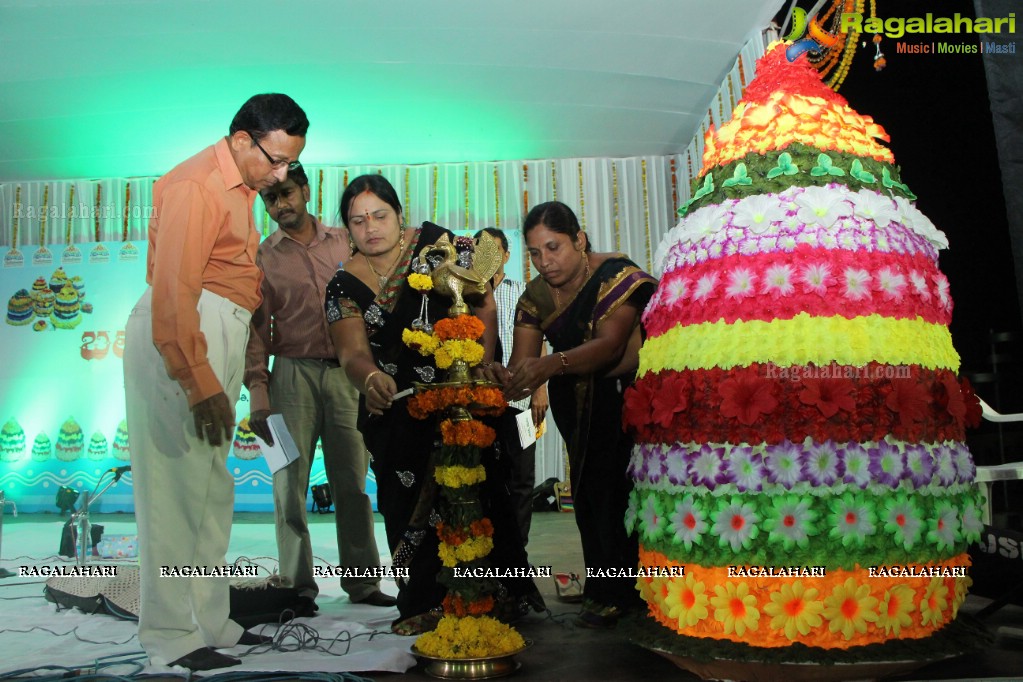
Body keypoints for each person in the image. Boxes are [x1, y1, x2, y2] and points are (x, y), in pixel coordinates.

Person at [124, 94, 308, 671]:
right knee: (174, 492)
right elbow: (173, 291)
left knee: (211, 490)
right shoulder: (195, 185)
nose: (280, 175)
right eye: (274, 160)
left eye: (289, 165)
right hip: (188, 331)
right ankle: (171, 636)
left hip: (220, 325)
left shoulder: (238, 192)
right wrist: (196, 378)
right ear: (239, 139)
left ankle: (209, 620)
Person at [324, 174, 543, 634]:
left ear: (399, 214)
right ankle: (422, 600)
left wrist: (479, 359)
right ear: (347, 228)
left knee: (482, 492)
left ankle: (496, 595)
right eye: (358, 221)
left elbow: (481, 300)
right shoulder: (343, 285)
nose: (371, 228)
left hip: (458, 393)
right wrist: (369, 378)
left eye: (380, 215)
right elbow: (351, 352)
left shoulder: (440, 245)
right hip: (397, 404)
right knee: (402, 502)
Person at [491, 200, 656, 629]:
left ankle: (638, 590)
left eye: (555, 247)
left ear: (579, 240)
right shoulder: (535, 297)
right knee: (588, 494)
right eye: (535, 253)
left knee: (623, 493)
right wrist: (497, 375)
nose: (545, 262)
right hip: (574, 403)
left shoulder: (618, 277)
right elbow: (524, 367)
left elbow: (610, 346)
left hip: (625, 397)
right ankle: (606, 589)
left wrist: (551, 365)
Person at [243, 165, 395, 617]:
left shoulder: (346, 241)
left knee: (352, 481)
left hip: (349, 374)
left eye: (287, 194)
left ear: (305, 191)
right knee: (287, 483)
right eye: (270, 200)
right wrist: (258, 390)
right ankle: (296, 586)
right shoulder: (264, 256)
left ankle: (364, 585)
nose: (280, 206)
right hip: (290, 375)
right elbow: (257, 329)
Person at [473, 227, 548, 546]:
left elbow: (541, 341)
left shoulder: (524, 292)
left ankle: (518, 552)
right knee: (483, 476)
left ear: (505, 255)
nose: (487, 256)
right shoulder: (468, 295)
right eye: (480, 251)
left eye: (494, 250)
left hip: (522, 402)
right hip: (477, 402)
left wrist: (540, 391)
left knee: (521, 477)